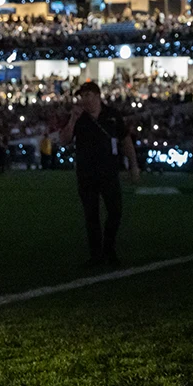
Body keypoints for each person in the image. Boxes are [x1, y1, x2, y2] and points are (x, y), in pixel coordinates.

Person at [60, 81, 140, 267]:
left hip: (109, 171)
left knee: (115, 211)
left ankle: (109, 249)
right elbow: (64, 140)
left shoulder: (112, 116)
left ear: (97, 96)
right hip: (86, 172)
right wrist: (72, 120)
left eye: (87, 95)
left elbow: (125, 139)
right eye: (82, 96)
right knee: (91, 215)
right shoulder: (79, 118)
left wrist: (133, 165)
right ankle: (96, 255)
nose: (84, 100)